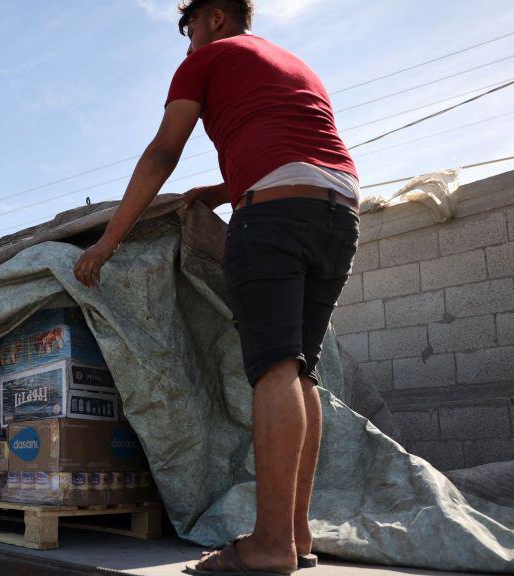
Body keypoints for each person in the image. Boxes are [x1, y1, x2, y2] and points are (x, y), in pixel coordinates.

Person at [73, 1, 359, 574]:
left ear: (215, 20)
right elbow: (291, 150)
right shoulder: (291, 63)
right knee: (302, 371)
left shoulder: (208, 58)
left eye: (190, 31)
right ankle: (298, 535)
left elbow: (162, 152)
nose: (188, 46)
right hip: (339, 210)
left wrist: (107, 243)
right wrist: (226, 191)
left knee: (276, 366)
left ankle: (270, 544)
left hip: (274, 218)